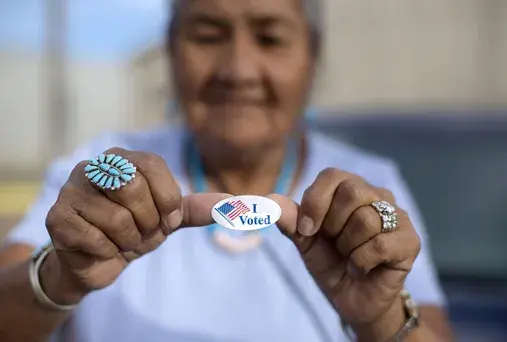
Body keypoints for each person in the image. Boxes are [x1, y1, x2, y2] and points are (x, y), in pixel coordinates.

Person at [0, 0, 454, 341]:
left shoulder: (368, 185)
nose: (238, 70)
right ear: (172, 53)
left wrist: (378, 317)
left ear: (312, 59)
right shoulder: (105, 167)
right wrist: (61, 274)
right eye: (208, 35)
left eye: (270, 37)